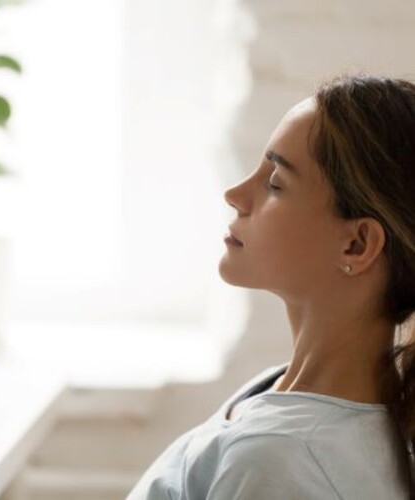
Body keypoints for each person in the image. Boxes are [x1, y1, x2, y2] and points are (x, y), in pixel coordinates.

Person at [126, 73, 415, 499]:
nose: (235, 194)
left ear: (356, 245)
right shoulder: (279, 390)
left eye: (275, 183)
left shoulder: (278, 461)